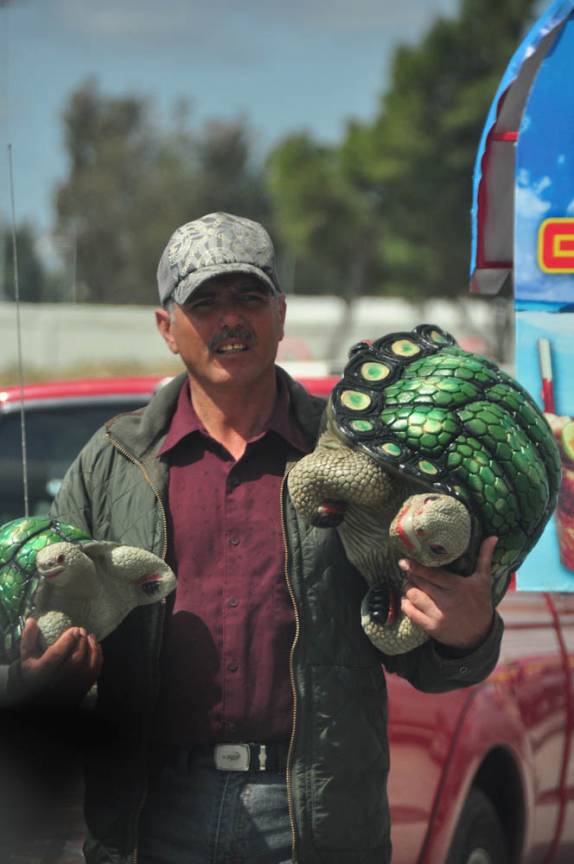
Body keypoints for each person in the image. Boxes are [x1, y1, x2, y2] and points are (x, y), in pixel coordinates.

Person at [6, 212, 502, 863]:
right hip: (152, 814)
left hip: (317, 818)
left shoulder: (361, 457)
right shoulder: (111, 464)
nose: (230, 319)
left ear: (281, 312)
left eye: (249, 297)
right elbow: (46, 636)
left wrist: (465, 632)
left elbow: (417, 651)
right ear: (167, 328)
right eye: (205, 302)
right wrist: (39, 679)